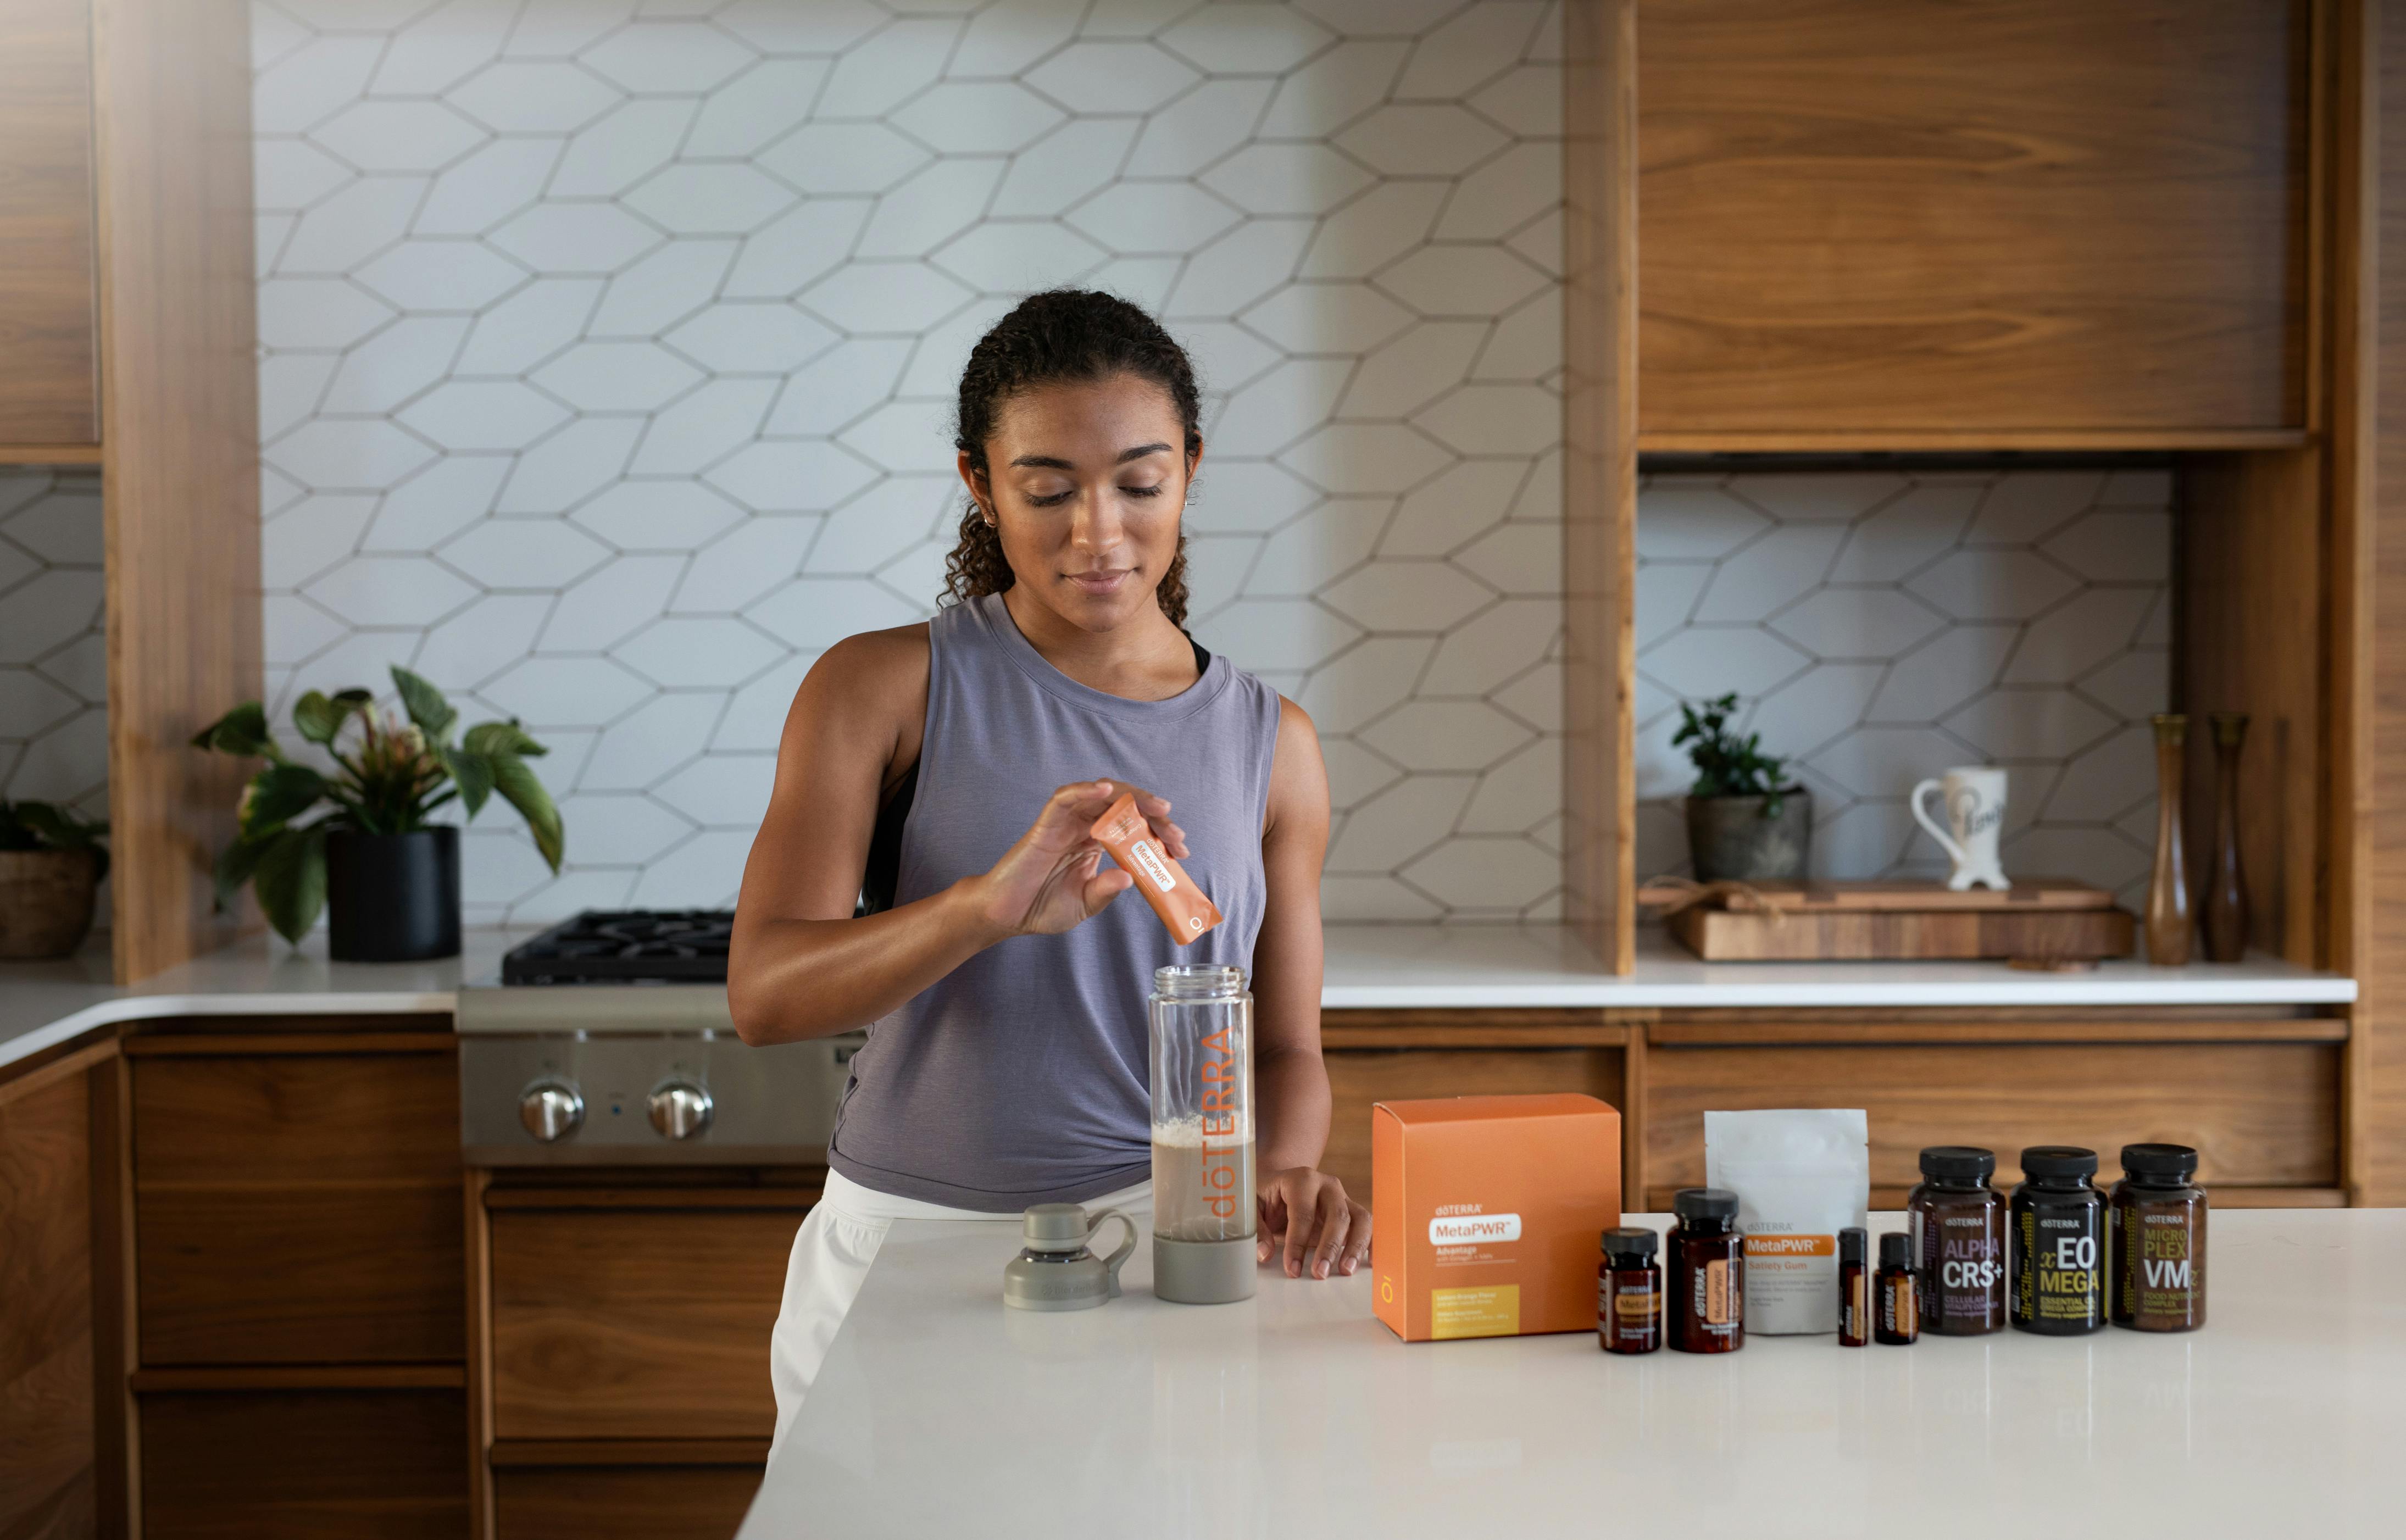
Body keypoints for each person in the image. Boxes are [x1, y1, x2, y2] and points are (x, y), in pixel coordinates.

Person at [729, 289, 1369, 1450]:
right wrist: (989, 904)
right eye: (1049, 489)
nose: (1100, 533)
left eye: (1139, 482)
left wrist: (1284, 1170)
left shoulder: (1278, 745)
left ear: (1191, 470)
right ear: (980, 482)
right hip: (915, 1247)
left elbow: (1286, 1047)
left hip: (1172, 1249)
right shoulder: (879, 689)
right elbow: (767, 995)